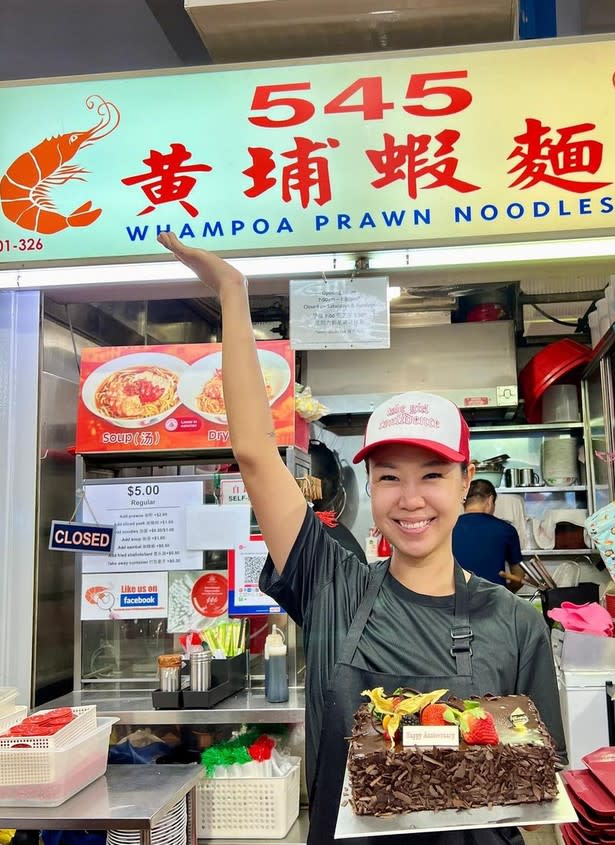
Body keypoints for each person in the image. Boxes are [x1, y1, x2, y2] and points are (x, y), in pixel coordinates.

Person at [157, 232, 566, 845]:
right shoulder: (333, 585)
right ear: (369, 489)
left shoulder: (515, 624)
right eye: (389, 478)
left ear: (465, 485)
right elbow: (254, 454)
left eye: (432, 476)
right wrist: (233, 295)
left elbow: (538, 794)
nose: (410, 499)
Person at [452, 479, 523, 590]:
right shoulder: (506, 530)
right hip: (494, 602)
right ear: (490, 501)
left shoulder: (448, 529)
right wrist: (504, 595)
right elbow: (518, 577)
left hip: (454, 601)